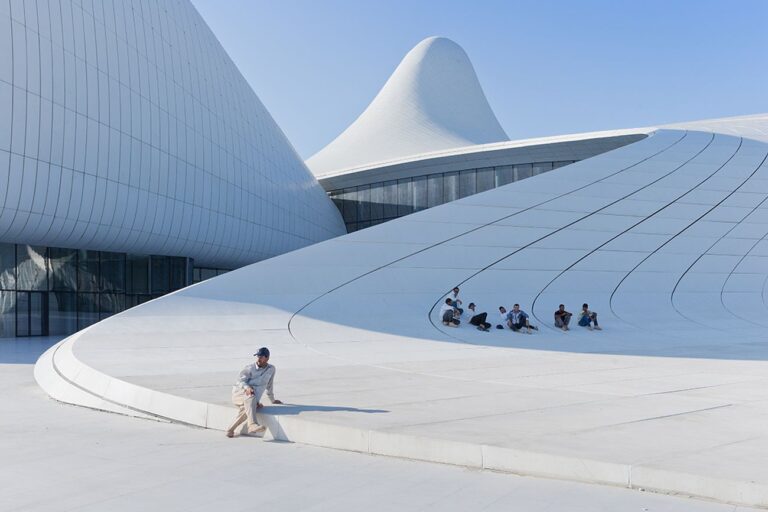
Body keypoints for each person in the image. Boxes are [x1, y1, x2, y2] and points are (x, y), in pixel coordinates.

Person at [226, 347, 283, 438]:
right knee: (251, 399)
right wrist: (247, 387)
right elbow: (240, 381)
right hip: (239, 394)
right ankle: (252, 424)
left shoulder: (271, 369)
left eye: (260, 357)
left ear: (267, 357)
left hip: (251, 398)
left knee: (249, 408)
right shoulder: (249, 368)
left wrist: (272, 399)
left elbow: (269, 385)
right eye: (257, 356)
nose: (258, 359)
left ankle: (230, 430)